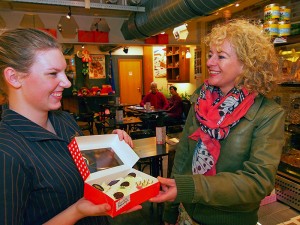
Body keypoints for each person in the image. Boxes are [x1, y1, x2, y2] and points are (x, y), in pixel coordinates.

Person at [150, 19, 285, 225]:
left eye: (220, 56)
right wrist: (171, 210)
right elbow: (183, 157)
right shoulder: (200, 100)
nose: (210, 62)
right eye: (211, 54)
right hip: (186, 213)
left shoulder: (267, 114)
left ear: (246, 65)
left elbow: (258, 182)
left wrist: (192, 187)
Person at [0, 28, 140, 225]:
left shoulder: (65, 120)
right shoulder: (6, 152)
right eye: (52, 74)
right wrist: (76, 212)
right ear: (14, 78)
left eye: (64, 72)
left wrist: (110, 149)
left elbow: (87, 169)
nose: (66, 82)